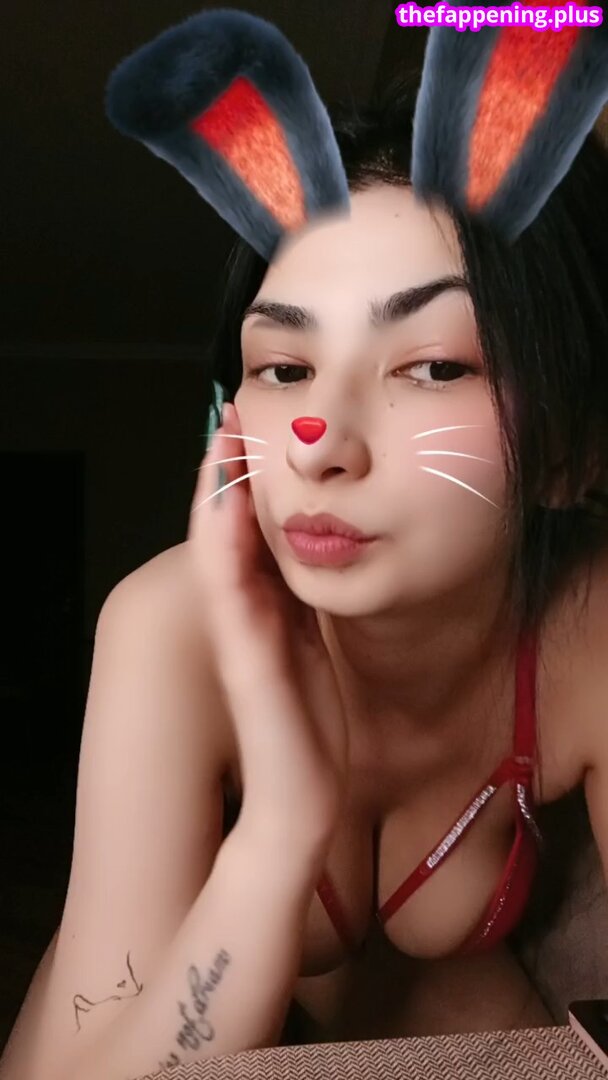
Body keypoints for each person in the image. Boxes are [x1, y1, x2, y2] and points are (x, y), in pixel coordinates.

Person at [2, 9, 608, 1080]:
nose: (319, 442)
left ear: (568, 453)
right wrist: (282, 814)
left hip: (439, 1002)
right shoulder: (169, 624)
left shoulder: (586, 625)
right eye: (283, 368)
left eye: (434, 365)